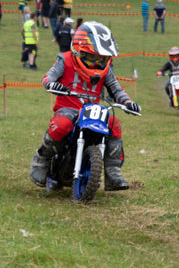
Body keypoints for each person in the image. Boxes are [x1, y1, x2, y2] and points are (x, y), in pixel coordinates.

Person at [30, 21, 141, 191]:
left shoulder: (106, 70)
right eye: (91, 57)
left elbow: (116, 90)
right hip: (67, 109)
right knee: (62, 125)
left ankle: (113, 172)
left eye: (102, 59)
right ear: (79, 52)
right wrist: (52, 85)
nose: (97, 63)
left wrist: (128, 103)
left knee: (115, 124)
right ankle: (42, 159)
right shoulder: (65, 59)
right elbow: (48, 78)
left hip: (93, 112)